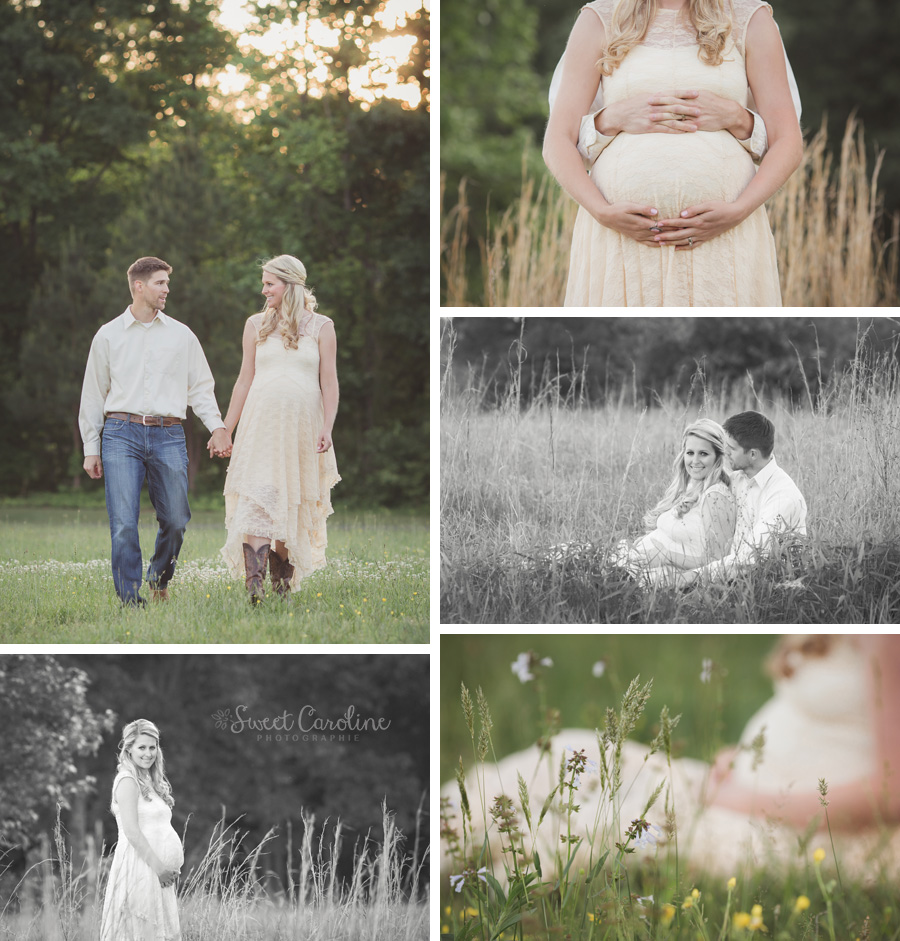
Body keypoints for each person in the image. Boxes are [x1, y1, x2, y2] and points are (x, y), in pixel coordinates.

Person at [443, 635, 900, 878]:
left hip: (811, 836)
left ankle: (466, 882)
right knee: (569, 753)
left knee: (621, 830)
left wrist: (744, 794)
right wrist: (745, 758)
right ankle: (423, 842)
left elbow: (892, 791)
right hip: (736, 795)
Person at [543, 0, 803, 306]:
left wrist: (739, 208)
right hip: (620, 239)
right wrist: (601, 211)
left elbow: (787, 140)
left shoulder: (751, 19)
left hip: (724, 235)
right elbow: (558, 140)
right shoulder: (599, 19)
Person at [79, 257, 231, 606]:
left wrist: (218, 427)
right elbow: (93, 393)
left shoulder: (182, 335)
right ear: (139, 286)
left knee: (176, 519)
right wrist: (91, 446)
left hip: (169, 434)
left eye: (166, 283)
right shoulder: (108, 335)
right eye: (161, 283)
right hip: (120, 433)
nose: (167, 289)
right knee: (123, 524)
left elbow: (201, 389)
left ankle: (159, 577)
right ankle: (131, 601)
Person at [216, 255, 340, 603]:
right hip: (260, 427)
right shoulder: (256, 325)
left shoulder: (322, 327)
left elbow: (329, 383)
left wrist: (328, 428)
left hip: (302, 429)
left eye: (269, 283)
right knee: (258, 497)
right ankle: (254, 588)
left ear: (290, 284)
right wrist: (226, 428)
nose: (263, 289)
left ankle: (281, 589)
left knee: (291, 502)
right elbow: (244, 381)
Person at [675, 409, 806, 586]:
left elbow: (749, 560)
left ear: (752, 454)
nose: (724, 452)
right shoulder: (738, 478)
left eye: (731, 449)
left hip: (768, 587)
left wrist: (689, 577)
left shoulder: (783, 496)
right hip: (727, 573)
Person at [614, 418, 735, 583]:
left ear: (717, 457)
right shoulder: (694, 486)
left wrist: (665, 555)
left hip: (659, 575)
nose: (695, 461)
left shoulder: (716, 496)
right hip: (640, 561)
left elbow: (717, 562)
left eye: (704, 454)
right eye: (690, 453)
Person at [100, 719, 183, 941]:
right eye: (141, 747)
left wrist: (165, 869)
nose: (148, 753)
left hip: (158, 873)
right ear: (129, 749)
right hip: (140, 868)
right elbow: (132, 832)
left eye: (152, 747)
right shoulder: (127, 780)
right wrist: (160, 869)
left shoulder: (148, 780)